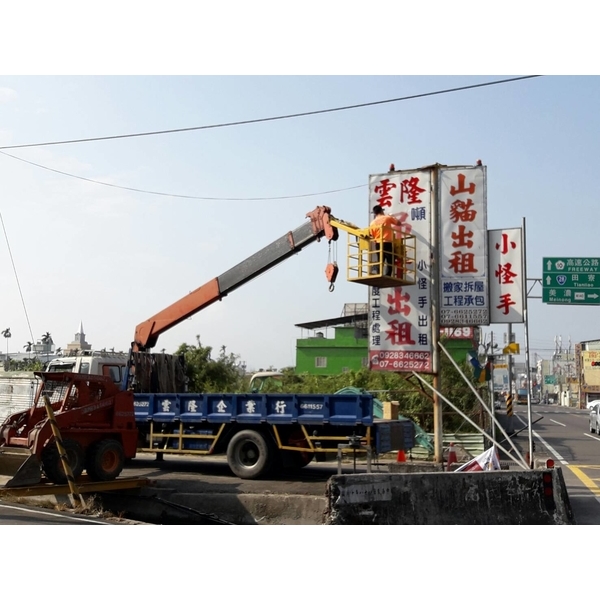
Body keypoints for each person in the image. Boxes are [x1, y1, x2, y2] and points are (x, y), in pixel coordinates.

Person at [369, 205, 401, 276]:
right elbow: (399, 223)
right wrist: (392, 216)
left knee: (380, 261)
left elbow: (372, 235)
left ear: (375, 213)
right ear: (381, 211)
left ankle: (378, 274)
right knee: (390, 260)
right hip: (387, 242)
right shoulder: (387, 218)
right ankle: (388, 274)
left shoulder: (372, 223)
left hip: (377, 243)